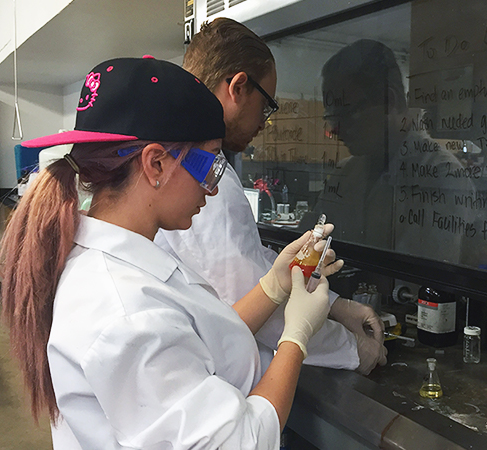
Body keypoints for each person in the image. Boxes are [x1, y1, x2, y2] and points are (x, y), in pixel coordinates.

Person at [0, 56, 343, 449]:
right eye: (208, 163)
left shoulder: (121, 254)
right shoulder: (124, 312)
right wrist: (296, 337)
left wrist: (273, 287)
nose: (211, 189)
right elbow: (241, 441)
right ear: (156, 163)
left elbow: (195, 339)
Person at [154, 18, 387, 376]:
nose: (265, 122)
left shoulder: (188, 162)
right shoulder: (201, 177)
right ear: (238, 87)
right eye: (265, 106)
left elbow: (248, 259)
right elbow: (254, 303)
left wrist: (338, 306)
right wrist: (355, 350)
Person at [305, 39, 476, 263]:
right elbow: (309, 244)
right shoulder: (345, 172)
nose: (335, 129)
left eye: (346, 113)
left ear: (390, 100)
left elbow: (422, 280)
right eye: (332, 117)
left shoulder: (442, 175)